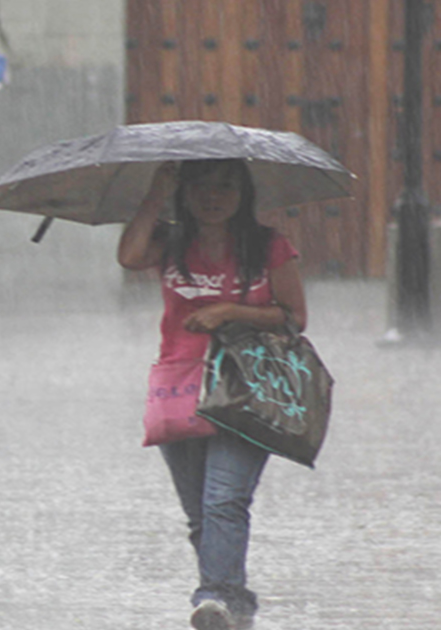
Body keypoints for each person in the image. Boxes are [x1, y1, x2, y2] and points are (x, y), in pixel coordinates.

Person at [116, 159, 307, 630]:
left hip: (247, 387)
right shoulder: (171, 241)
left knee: (225, 500)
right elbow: (128, 255)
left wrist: (229, 311)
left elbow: (294, 317)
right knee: (201, 512)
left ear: (243, 193)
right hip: (180, 386)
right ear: (186, 193)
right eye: (201, 187)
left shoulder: (268, 246)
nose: (213, 196)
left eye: (224, 186)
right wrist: (156, 191)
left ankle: (213, 596)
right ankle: (233, 602)